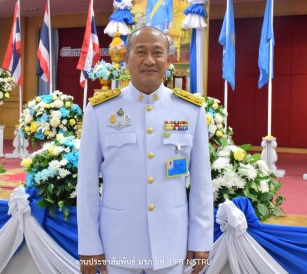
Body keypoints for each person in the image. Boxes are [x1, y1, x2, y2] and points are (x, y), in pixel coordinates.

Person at [77, 27, 213, 274]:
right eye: (141, 52)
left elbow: (202, 182)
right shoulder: (100, 111)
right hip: (118, 242)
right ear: (127, 59)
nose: (149, 60)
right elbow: (86, 184)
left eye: (157, 53)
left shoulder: (190, 110)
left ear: (169, 60)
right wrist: (88, 245)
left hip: (171, 241)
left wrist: (201, 239)